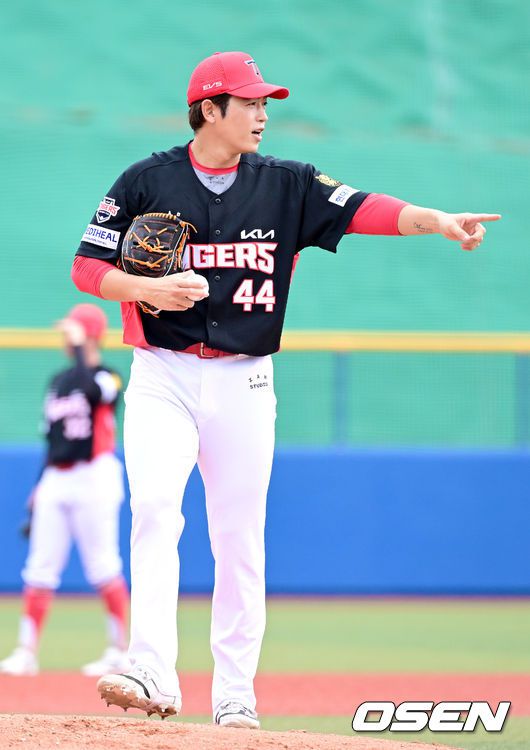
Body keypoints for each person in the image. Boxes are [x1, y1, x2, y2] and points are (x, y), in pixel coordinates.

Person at [71, 51, 501, 728]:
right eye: (249, 103)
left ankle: (235, 693)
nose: (262, 115)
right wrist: (148, 286)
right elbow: (87, 267)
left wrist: (437, 219)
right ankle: (151, 668)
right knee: (154, 510)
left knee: (239, 535)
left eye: (264, 103)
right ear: (209, 110)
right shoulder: (145, 181)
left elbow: (363, 208)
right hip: (162, 373)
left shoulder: (288, 184)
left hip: (245, 379)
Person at [0, 304, 129, 678]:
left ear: (88, 335)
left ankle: (119, 650)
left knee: (103, 565)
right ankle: (26, 652)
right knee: (39, 567)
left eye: (72, 332)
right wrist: (39, 485)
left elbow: (93, 391)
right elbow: (51, 439)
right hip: (57, 477)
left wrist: (82, 348)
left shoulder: (108, 376)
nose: (65, 338)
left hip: (95, 474)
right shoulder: (58, 381)